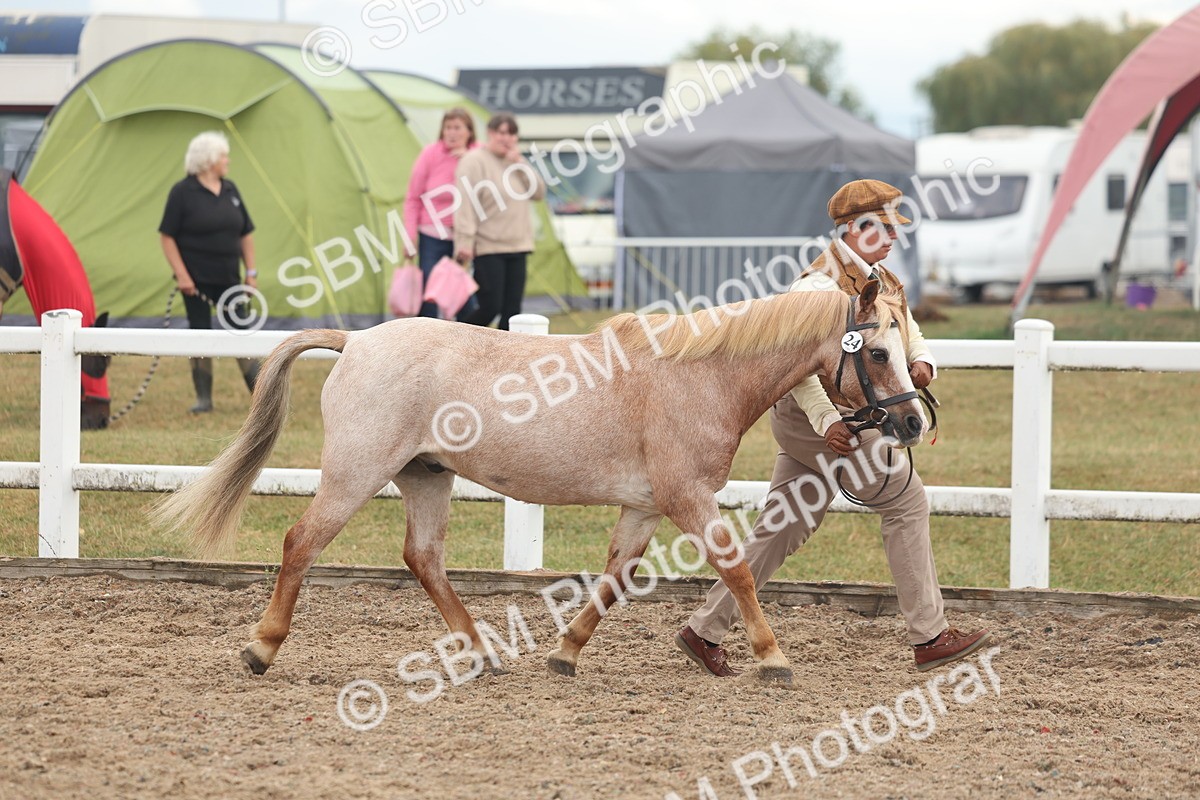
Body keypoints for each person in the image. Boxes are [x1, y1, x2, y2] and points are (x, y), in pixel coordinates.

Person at [676, 179, 992, 677]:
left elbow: (908, 333)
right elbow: (795, 369)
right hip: (819, 419)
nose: (892, 237)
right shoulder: (817, 287)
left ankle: (703, 631)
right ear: (853, 228)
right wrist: (827, 422)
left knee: (783, 526)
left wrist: (921, 362)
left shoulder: (881, 280)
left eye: (893, 227)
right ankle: (930, 636)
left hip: (836, 420)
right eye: (883, 227)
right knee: (905, 500)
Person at [159, 131, 260, 414]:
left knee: (242, 333)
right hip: (196, 284)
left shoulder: (231, 190)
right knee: (199, 335)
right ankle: (204, 398)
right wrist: (182, 275)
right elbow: (167, 237)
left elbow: (246, 233)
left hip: (231, 280)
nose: (227, 161)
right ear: (208, 161)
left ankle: (262, 395)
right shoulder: (182, 193)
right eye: (223, 156)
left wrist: (251, 271)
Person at [453, 112, 546, 331]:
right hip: (488, 246)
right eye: (502, 133)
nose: (507, 138)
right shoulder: (474, 161)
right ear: (490, 133)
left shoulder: (515, 163)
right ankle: (453, 338)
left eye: (512, 134)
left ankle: (504, 359)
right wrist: (464, 240)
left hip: (519, 245)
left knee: (512, 312)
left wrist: (521, 163)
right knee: (489, 307)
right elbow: (464, 202)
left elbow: (539, 193)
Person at [403, 107, 478, 318]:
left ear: (469, 132)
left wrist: (470, 158)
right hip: (432, 236)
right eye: (448, 128)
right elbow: (412, 199)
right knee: (430, 293)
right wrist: (409, 236)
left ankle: (466, 341)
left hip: (467, 237)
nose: (452, 133)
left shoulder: (479, 154)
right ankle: (425, 340)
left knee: (465, 296)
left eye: (457, 128)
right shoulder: (430, 154)